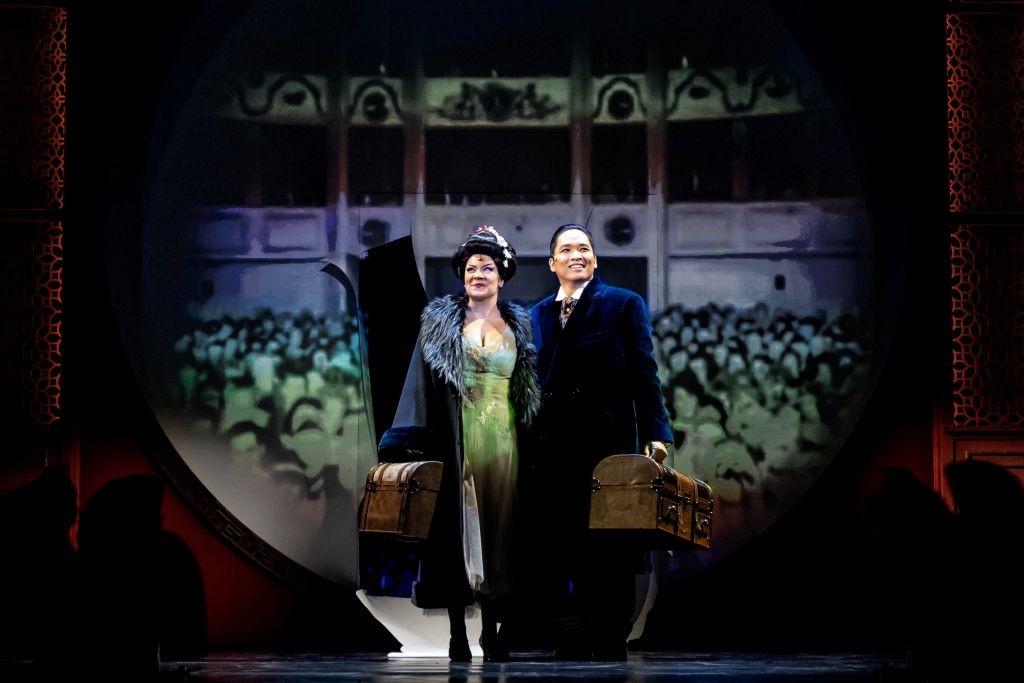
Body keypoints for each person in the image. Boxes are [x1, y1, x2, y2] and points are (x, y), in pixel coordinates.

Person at [377, 226, 540, 662]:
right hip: (457, 440)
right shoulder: (440, 325)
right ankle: (456, 633)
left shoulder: (520, 327)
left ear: (501, 276)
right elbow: (418, 384)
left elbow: (528, 391)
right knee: (456, 534)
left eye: (486, 267)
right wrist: (410, 439)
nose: (478, 274)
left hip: (504, 445)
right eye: (471, 268)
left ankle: (491, 631)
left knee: (498, 534)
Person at [523, 222, 673, 661]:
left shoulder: (623, 303)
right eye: (567, 249)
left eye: (584, 248)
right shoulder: (535, 315)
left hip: (606, 442)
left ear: (595, 259)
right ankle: (575, 632)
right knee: (565, 542)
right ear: (552, 263)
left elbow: (644, 370)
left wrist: (656, 430)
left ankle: (610, 636)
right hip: (554, 449)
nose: (577, 255)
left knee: (612, 541)